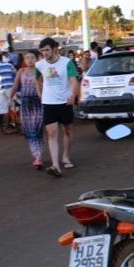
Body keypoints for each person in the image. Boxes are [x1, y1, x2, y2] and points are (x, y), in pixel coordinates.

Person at [35, 37, 79, 177]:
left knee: (68, 130)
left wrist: (72, 95)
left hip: (65, 102)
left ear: (55, 48)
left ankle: (65, 155)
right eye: (42, 51)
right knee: (52, 133)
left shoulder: (67, 63)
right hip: (49, 102)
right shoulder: (39, 65)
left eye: (47, 49)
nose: (45, 53)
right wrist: (40, 93)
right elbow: (37, 79)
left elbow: (73, 81)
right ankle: (56, 166)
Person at [9, 50, 44, 169]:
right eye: (27, 58)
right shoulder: (21, 71)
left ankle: (38, 156)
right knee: (29, 130)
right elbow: (15, 86)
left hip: (38, 103)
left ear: (37, 58)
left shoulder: (40, 71)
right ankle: (37, 156)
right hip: (25, 103)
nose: (29, 60)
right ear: (24, 60)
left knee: (36, 129)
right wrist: (10, 98)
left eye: (32, 57)